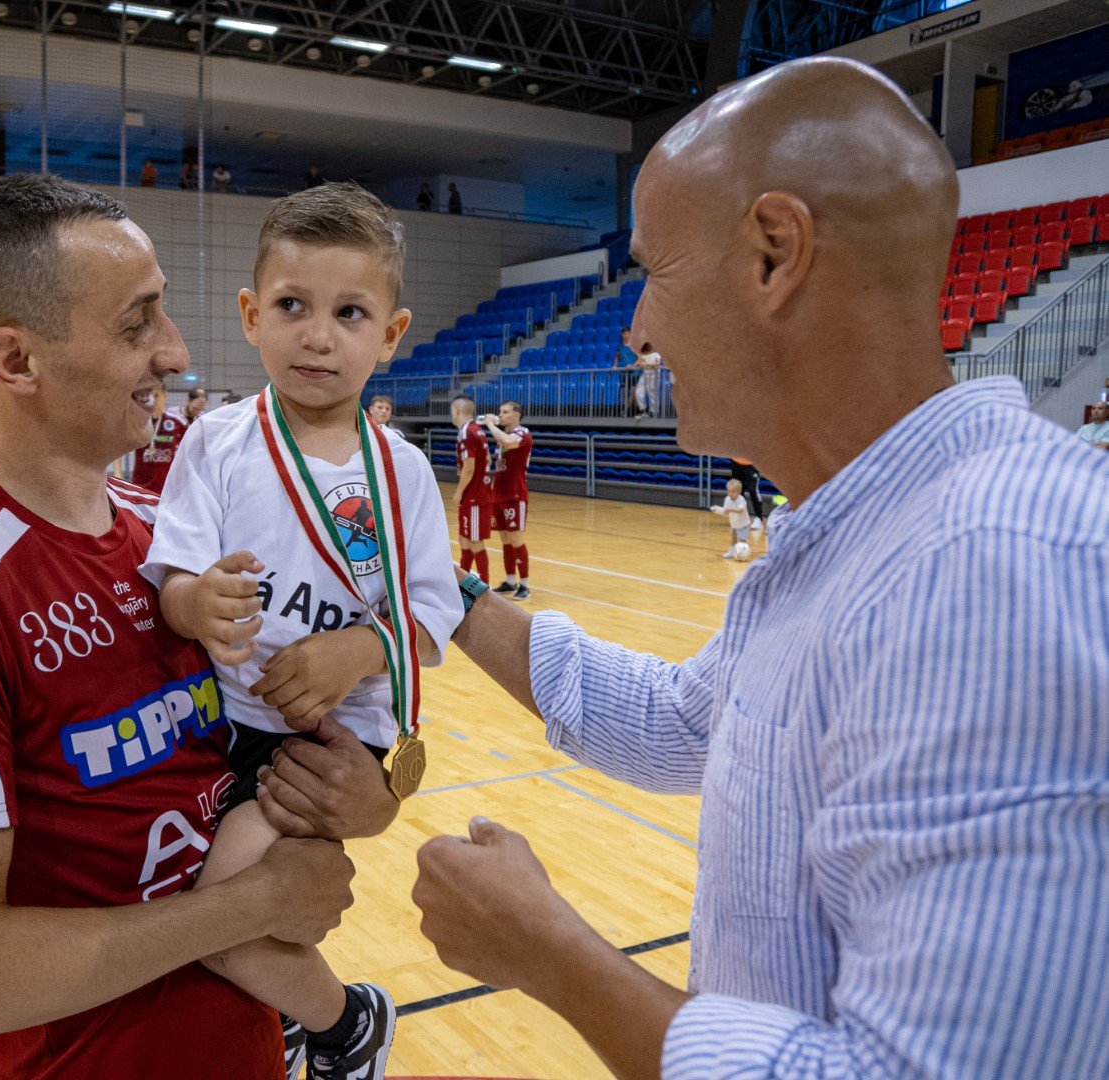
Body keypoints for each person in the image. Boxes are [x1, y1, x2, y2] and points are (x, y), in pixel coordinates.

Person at [411, 56, 1109, 1078]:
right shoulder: (866, 537)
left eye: (656, 270)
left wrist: (551, 954)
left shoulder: (987, 561)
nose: (639, 331)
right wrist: (443, 590)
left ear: (775, 254)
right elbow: (681, 721)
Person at [0, 172, 386, 1079]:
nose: (175, 351)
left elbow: (310, 721)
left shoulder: (169, 533)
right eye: (139, 323)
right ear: (17, 363)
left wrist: (375, 790)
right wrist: (249, 909)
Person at [142, 182, 463, 1079]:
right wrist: (193, 603)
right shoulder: (214, 441)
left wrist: (359, 650)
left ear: (391, 334)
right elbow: (170, 571)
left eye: (350, 312)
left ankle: (345, 1025)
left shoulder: (399, 472)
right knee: (243, 914)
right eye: (293, 306)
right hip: (223, 728)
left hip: (327, 748)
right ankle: (298, 1018)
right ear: (250, 316)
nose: (319, 335)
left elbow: (434, 613)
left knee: (220, 926)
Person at [481, 400, 532, 598]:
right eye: (500, 412)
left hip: (515, 494)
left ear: (516, 416)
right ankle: (510, 580)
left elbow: (510, 443)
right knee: (505, 538)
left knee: (516, 538)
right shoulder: (502, 437)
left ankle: (525, 585)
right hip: (499, 494)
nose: (500, 415)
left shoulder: (522, 434)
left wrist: (491, 425)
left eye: (505, 412)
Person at [130, 387, 205, 493]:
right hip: (140, 487)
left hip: (167, 489)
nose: (152, 400)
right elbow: (118, 444)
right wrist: (118, 473)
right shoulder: (139, 420)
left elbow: (188, 451)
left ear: (165, 395)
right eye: (148, 396)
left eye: (156, 396)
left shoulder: (178, 421)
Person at [450, 395, 491, 583]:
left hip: (474, 496)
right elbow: (488, 459)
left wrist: (459, 492)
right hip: (476, 493)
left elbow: (469, 466)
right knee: (465, 540)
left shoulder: (466, 431)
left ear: (457, 411)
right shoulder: (478, 429)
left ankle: (485, 584)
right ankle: (463, 583)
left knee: (475, 542)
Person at [710, 476, 751, 559]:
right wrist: (718, 510)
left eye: (733, 491)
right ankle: (732, 551)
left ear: (739, 491)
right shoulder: (727, 499)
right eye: (729, 491)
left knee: (742, 540)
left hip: (743, 523)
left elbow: (740, 510)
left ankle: (744, 553)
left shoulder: (741, 500)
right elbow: (726, 512)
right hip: (734, 523)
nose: (730, 493)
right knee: (733, 537)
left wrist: (730, 510)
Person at [727, 458, 766, 530]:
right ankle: (741, 517)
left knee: (753, 490)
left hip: (751, 463)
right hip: (736, 461)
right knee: (738, 491)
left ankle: (759, 519)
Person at [615, 326, 641, 416]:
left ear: (630, 334)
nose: (626, 335)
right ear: (622, 335)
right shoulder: (620, 346)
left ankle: (625, 410)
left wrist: (633, 366)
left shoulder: (634, 345)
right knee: (625, 393)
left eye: (628, 333)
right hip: (623, 372)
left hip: (634, 372)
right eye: (624, 334)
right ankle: (628, 410)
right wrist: (615, 365)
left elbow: (639, 359)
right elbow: (617, 356)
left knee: (634, 392)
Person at [633, 341, 664, 417]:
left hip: (654, 375)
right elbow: (638, 363)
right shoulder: (644, 354)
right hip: (645, 375)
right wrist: (638, 365)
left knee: (652, 393)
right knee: (638, 392)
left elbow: (657, 363)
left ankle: (654, 413)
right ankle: (643, 410)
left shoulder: (657, 353)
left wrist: (645, 365)